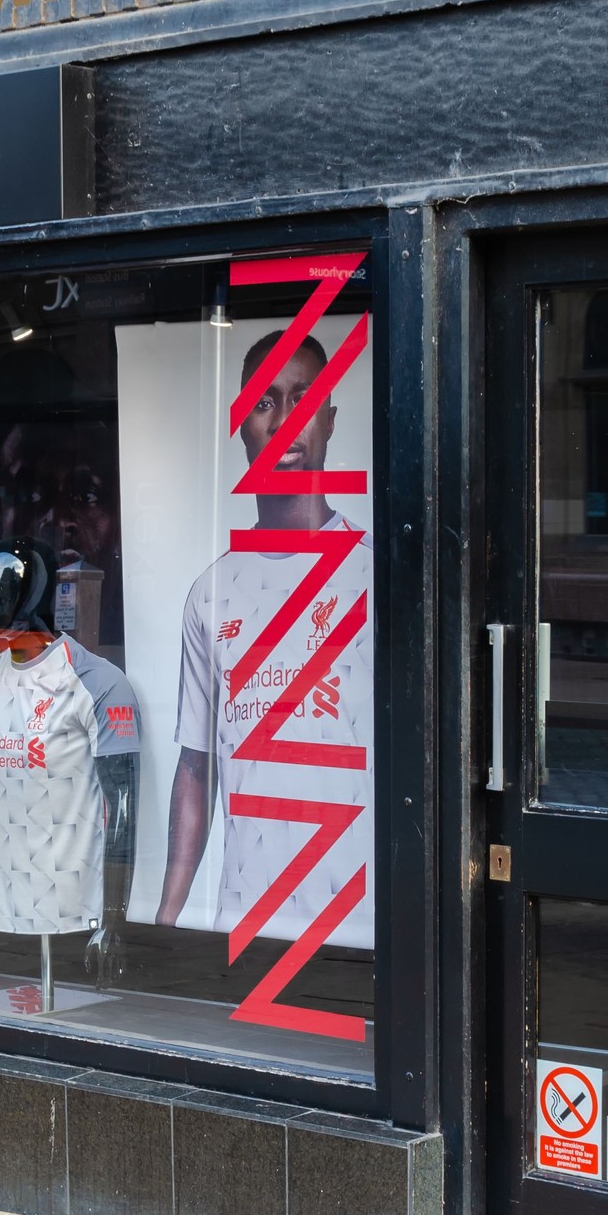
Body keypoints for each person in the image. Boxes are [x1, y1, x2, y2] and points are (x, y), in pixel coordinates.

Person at [156, 329, 375, 952]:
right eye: (265, 402)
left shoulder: (375, 577)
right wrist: (165, 922)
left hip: (359, 921)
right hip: (247, 922)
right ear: (243, 424)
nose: (286, 422)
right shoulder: (212, 594)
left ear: (329, 421)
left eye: (304, 400)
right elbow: (195, 765)